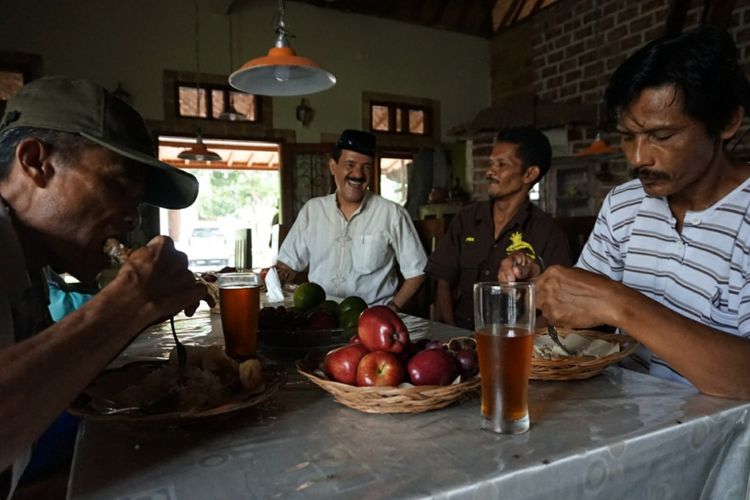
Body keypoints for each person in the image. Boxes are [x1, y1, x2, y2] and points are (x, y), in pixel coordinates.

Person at [499, 26, 750, 400]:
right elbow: (581, 322)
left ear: (728, 122)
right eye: (628, 136)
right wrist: (542, 291)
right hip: (624, 423)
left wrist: (620, 304)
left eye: (661, 137)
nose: (637, 158)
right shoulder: (625, 204)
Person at [0, 76, 212, 496]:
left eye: (137, 201)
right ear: (35, 162)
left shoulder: (30, 265)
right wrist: (130, 300)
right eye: (118, 185)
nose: (133, 218)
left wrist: (142, 311)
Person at [426, 126, 572, 330]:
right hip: (459, 339)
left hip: (514, 345)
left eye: (501, 164)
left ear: (529, 174)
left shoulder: (548, 233)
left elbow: (558, 306)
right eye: (491, 163)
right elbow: (443, 280)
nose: (489, 172)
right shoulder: (466, 219)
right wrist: (451, 334)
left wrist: (522, 342)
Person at [276, 129, 427, 309]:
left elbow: (417, 271)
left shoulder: (392, 213)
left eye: (366, 167)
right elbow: (287, 264)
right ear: (333, 166)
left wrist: (391, 309)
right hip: (319, 316)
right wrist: (274, 277)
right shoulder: (313, 210)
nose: (358, 174)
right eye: (350, 164)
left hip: (371, 319)